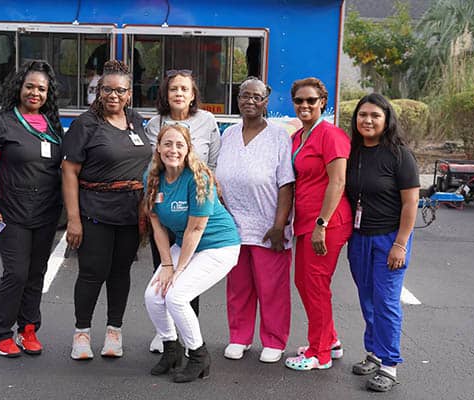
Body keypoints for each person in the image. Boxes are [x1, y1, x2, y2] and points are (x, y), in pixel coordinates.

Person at [62, 60, 152, 360]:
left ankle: (115, 332)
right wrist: (73, 219)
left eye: (120, 90)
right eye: (107, 89)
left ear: (130, 93)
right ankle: (82, 335)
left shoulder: (136, 120)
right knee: (91, 273)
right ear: (98, 91)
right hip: (94, 210)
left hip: (130, 213)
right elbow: (70, 171)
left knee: (120, 274)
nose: (114, 95)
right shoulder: (85, 124)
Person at [0, 60, 64, 358]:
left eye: (41, 88)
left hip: (46, 213)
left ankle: (28, 329)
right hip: (10, 213)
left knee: (36, 272)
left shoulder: (52, 125)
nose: (35, 93)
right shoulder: (0, 123)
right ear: (19, 88)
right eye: (30, 86)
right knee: (15, 272)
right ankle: (1, 333)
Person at [143, 124, 240, 383]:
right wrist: (166, 265)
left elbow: (195, 230)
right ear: (159, 147)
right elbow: (157, 226)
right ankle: (171, 349)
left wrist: (178, 270)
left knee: (176, 296)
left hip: (219, 245)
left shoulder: (199, 178)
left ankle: (198, 356)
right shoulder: (152, 177)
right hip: (185, 245)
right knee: (153, 295)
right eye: (167, 144)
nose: (172, 149)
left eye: (179, 145)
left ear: (188, 150)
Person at [215, 77, 295, 363]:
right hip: (234, 227)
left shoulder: (278, 136)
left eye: (256, 97)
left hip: (267, 227)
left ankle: (274, 340)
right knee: (238, 287)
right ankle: (240, 337)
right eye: (244, 96)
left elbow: (286, 184)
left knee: (272, 287)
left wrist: (279, 225)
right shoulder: (229, 134)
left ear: (266, 100)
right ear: (237, 99)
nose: (250, 101)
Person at [346, 93, 419, 392]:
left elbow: (411, 201)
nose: (368, 120)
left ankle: (389, 366)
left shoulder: (399, 154)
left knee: (386, 301)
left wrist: (400, 244)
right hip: (359, 238)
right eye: (363, 115)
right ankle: (374, 353)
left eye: (375, 115)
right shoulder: (353, 151)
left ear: (387, 119)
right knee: (367, 298)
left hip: (390, 238)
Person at [144, 68, 221, 353]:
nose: (178, 93)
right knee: (164, 265)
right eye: (173, 88)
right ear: (165, 94)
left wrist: (206, 190)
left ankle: (190, 333)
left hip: (195, 207)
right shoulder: (154, 124)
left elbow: (213, 161)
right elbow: (156, 163)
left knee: (188, 271)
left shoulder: (207, 121)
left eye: (184, 89)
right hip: (165, 206)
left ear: (192, 95)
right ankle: (165, 333)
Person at [284, 77, 352, 371]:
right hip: (306, 221)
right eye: (299, 100)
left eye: (311, 100)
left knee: (315, 285)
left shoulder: (331, 135)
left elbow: (337, 182)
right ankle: (330, 340)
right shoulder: (299, 137)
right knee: (306, 282)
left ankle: (318, 353)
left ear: (323, 102)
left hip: (327, 222)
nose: (305, 105)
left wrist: (321, 224)